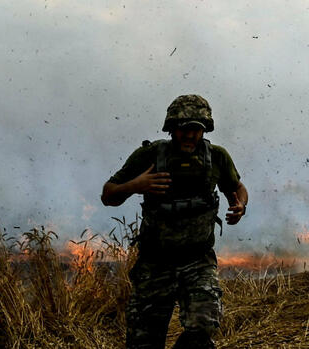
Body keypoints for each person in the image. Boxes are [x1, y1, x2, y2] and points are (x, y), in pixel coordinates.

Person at [101, 94, 248, 349]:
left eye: (196, 129)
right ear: (171, 129)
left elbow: (237, 188)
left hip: (197, 261)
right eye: (183, 129)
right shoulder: (149, 156)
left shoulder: (217, 157)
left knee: (203, 328)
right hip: (155, 264)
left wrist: (240, 206)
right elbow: (108, 194)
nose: (190, 135)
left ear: (205, 130)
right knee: (143, 342)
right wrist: (136, 185)